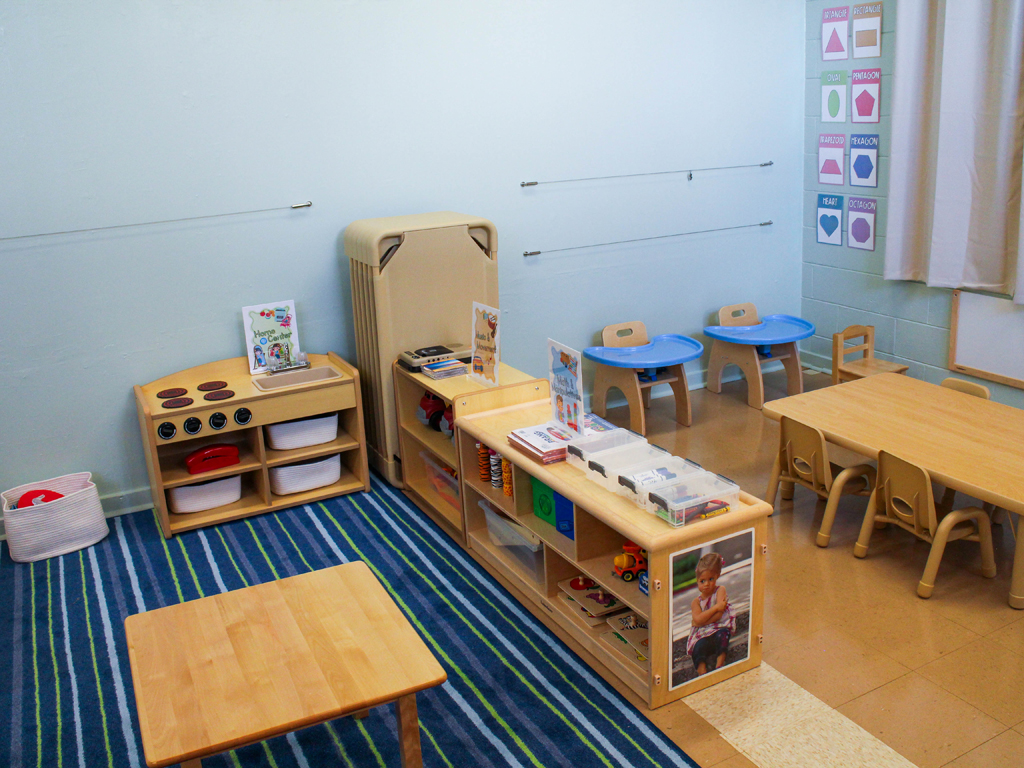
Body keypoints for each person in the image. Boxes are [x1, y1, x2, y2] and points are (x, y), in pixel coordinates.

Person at [686, 552, 735, 675]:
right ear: (697, 581)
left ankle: (720, 664)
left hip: (719, 628)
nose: (706, 584)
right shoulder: (696, 602)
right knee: (698, 648)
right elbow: (701, 618)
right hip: (702, 635)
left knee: (723, 635)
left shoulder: (720, 590)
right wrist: (716, 607)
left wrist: (699, 621)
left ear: (717, 576)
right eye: (702, 581)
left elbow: (718, 617)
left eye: (710, 579)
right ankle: (702, 672)